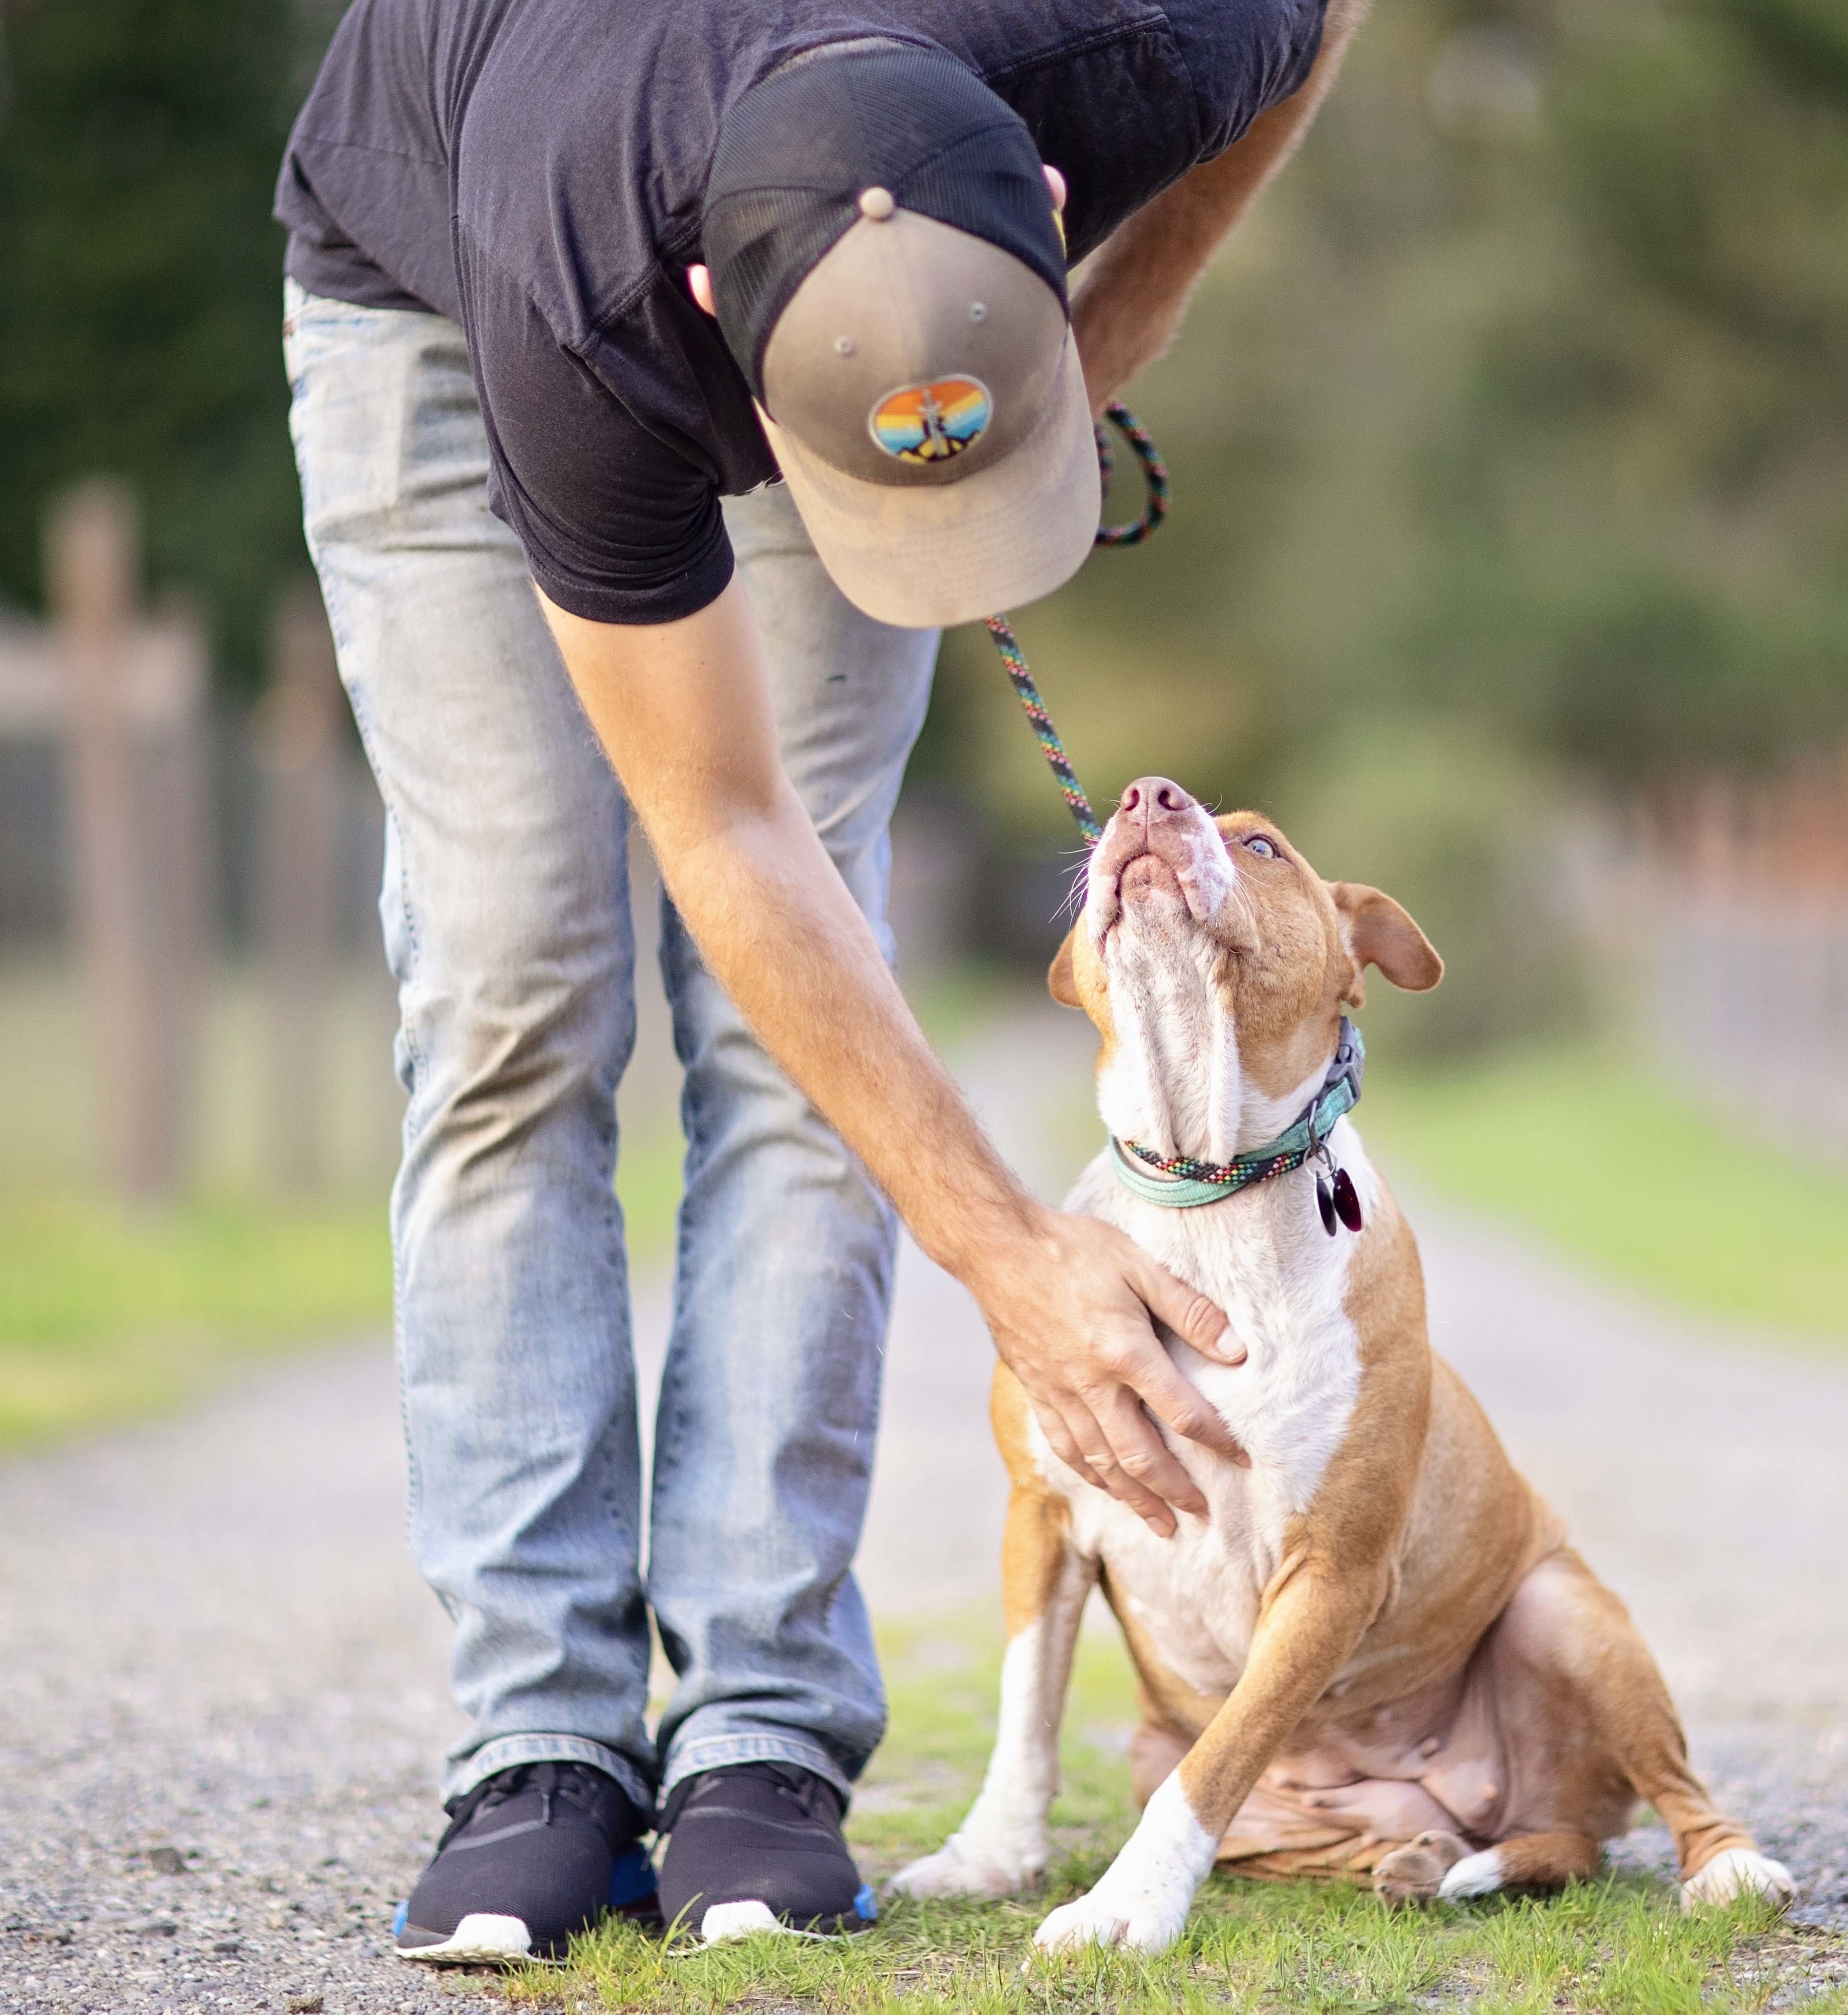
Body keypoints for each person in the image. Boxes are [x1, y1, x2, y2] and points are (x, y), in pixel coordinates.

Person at [274, 0, 1366, 1960]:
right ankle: (538, 1748)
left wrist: (1134, 303)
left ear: (1041, 189)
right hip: (434, 309)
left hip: (847, 270)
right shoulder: (583, 281)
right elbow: (723, 832)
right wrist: (1016, 1258)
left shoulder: (1136, 38)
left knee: (803, 1049)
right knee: (520, 994)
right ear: (713, 301)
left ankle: (760, 1739)